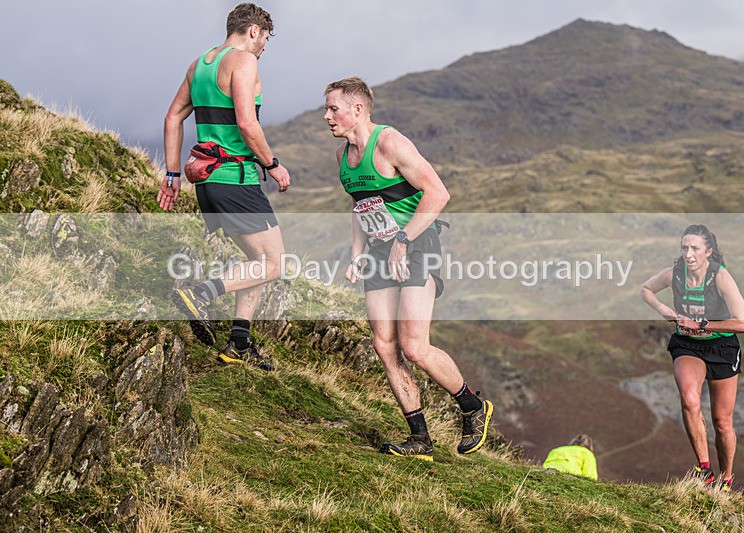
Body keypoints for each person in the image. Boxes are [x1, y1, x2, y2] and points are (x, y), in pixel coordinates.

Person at [323, 77, 493, 461]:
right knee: (384, 345)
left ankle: (472, 407)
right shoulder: (341, 158)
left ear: (358, 110)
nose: (327, 116)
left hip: (418, 247)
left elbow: (438, 194)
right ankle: (419, 439)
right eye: (327, 108)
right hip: (380, 251)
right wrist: (356, 254)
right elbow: (360, 206)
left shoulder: (390, 143)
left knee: (413, 347)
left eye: (334, 108)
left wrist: (403, 240)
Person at [158, 3, 290, 370]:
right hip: (236, 178)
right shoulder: (244, 62)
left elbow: (172, 118)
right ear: (253, 31)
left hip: (207, 183)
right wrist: (273, 165)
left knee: (258, 262)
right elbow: (248, 125)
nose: (264, 46)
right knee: (275, 264)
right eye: (265, 38)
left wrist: (172, 176)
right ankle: (199, 294)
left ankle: (238, 343)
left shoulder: (199, 64)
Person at [641, 224, 744, 492]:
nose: (688, 254)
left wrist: (703, 325)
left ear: (708, 252)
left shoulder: (721, 278)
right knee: (689, 400)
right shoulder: (674, 273)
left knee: (722, 423)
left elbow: (743, 323)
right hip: (687, 345)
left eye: (694, 249)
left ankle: (726, 479)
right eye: (684, 248)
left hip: (722, 348)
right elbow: (645, 289)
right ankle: (705, 470)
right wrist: (664, 309)